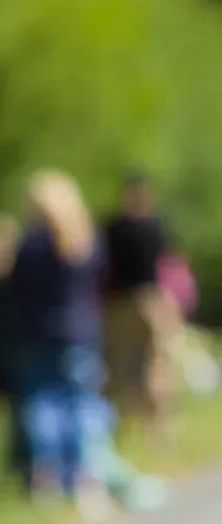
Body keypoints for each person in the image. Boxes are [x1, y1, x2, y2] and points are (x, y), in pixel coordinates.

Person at [6, 170, 107, 503]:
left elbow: (15, 290)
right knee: (81, 405)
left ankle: (47, 476)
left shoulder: (31, 245)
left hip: (37, 334)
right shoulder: (85, 241)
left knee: (42, 406)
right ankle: (84, 474)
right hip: (79, 334)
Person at [101, 173, 179, 432]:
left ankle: (125, 420)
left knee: (125, 362)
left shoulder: (114, 227)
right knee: (154, 361)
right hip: (145, 299)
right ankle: (153, 424)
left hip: (122, 302)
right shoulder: (153, 225)